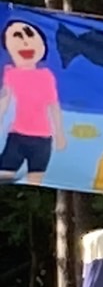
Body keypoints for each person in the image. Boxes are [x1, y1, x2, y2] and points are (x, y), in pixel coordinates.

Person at [0, 19, 64, 185]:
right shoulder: (10, 73)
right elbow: (4, 100)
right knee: (4, 174)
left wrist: (59, 134)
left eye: (29, 35)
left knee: (35, 181)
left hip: (42, 139)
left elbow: (54, 106)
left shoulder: (46, 76)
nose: (25, 42)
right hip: (17, 136)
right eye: (17, 36)